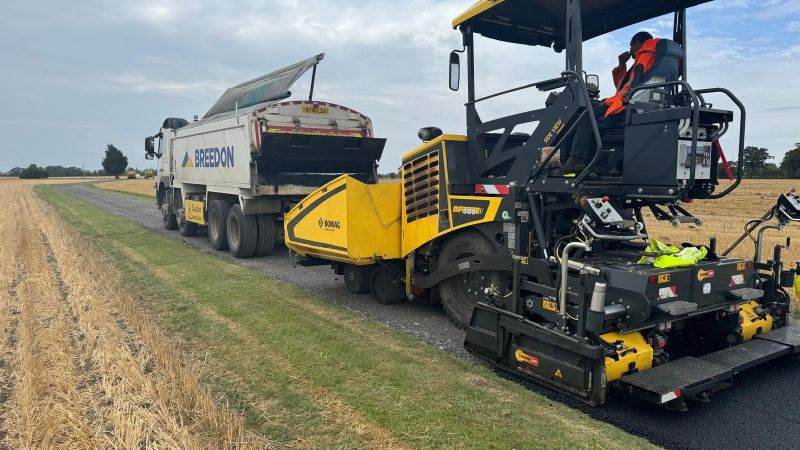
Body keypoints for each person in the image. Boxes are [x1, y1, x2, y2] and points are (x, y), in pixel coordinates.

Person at [561, 31, 658, 174]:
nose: (630, 50)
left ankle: (577, 159)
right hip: (639, 104)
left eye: (631, 46)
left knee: (586, 117)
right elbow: (623, 85)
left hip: (624, 106)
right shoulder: (656, 58)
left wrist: (618, 101)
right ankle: (597, 162)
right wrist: (622, 65)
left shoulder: (644, 56)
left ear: (637, 44)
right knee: (595, 115)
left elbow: (632, 86)